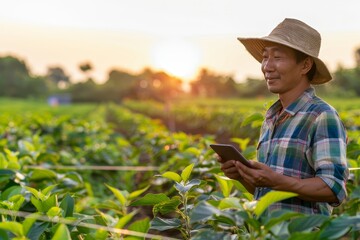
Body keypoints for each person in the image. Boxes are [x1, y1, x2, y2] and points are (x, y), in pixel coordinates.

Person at [219, 18, 349, 215]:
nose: (267, 67)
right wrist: (243, 176)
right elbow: (267, 192)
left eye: (277, 57)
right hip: (267, 232)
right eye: (265, 57)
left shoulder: (322, 116)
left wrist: (277, 181)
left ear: (305, 65)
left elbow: (333, 188)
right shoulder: (272, 118)